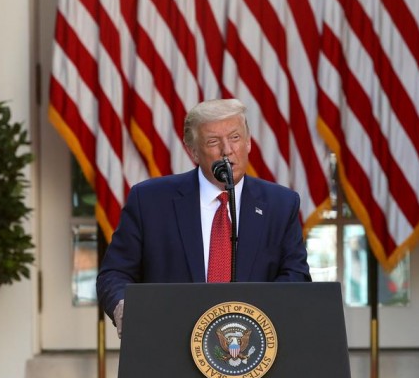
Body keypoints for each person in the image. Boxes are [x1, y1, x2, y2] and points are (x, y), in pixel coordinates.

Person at [96, 98, 312, 337]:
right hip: (168, 340)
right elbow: (114, 273)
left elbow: (296, 276)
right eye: (213, 141)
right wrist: (124, 305)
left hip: (250, 344)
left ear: (249, 142)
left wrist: (259, 318)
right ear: (194, 152)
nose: (227, 150)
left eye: (235, 137)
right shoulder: (149, 201)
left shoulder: (281, 204)